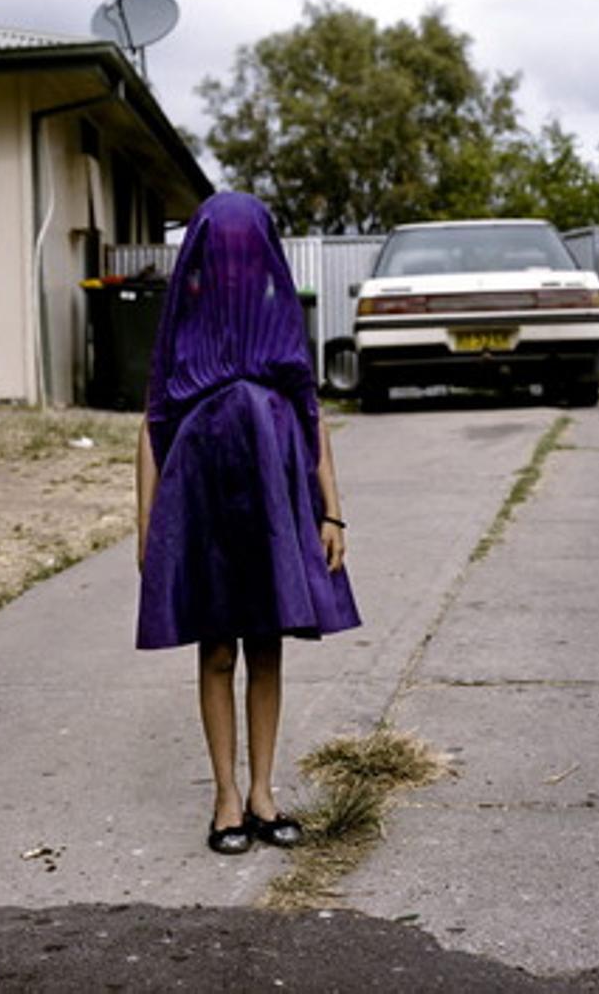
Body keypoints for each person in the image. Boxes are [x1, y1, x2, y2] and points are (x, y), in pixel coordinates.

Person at [135, 191, 361, 855]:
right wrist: (147, 525)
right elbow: (151, 424)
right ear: (201, 255)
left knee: (267, 642)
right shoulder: (183, 325)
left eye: (245, 251)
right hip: (202, 497)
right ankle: (225, 797)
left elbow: (312, 417)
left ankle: (264, 791)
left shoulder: (280, 320)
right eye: (220, 251)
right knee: (215, 647)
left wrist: (333, 511)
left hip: (273, 492)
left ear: (262, 255)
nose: (233, 265)